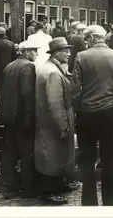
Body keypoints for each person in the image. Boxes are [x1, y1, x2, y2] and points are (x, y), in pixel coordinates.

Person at [72, 25, 113, 206]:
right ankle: (111, 204)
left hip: (86, 115)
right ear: (103, 38)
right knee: (111, 160)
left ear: (90, 39)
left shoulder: (81, 57)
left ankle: (89, 203)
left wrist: (78, 108)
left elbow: (74, 88)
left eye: (85, 39)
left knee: (87, 162)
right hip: (109, 115)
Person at [34, 37, 76, 205]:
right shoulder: (52, 72)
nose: (69, 54)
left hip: (47, 120)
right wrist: (63, 126)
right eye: (66, 51)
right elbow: (55, 102)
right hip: (53, 122)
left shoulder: (50, 68)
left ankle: (57, 185)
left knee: (56, 154)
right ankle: (48, 192)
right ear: (57, 53)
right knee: (51, 154)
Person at [0, 39, 39, 199]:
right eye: (34, 50)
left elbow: (1, 93)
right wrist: (30, 120)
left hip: (8, 116)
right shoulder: (28, 66)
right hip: (22, 118)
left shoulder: (10, 65)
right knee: (26, 153)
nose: (36, 53)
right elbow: (27, 95)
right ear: (26, 51)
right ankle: (27, 188)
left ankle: (7, 186)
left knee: (9, 152)